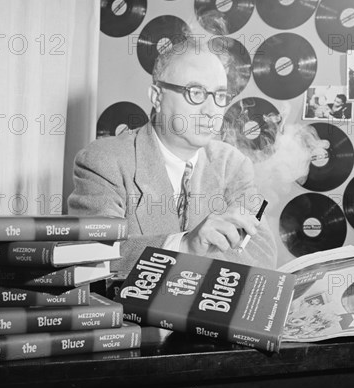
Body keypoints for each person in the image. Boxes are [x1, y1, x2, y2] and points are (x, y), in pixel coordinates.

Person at [67, 35, 278, 273]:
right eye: (195, 92)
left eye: (220, 96)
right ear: (157, 96)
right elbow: (93, 255)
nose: (211, 111)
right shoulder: (104, 161)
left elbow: (261, 256)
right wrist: (186, 246)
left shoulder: (233, 165)